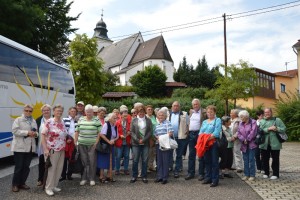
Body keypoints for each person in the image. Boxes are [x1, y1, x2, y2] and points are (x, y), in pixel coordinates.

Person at [42, 104, 68, 196]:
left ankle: (54, 186)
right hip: (52, 149)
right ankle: (48, 187)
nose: (59, 112)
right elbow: (43, 135)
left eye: (61, 111)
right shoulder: (49, 121)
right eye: (57, 111)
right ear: (54, 111)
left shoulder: (62, 121)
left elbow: (64, 134)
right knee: (52, 169)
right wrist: (45, 149)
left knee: (59, 168)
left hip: (62, 149)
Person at [11, 104, 38, 192]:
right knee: (19, 167)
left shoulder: (33, 121)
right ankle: (15, 184)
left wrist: (35, 134)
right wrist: (27, 133)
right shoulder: (18, 120)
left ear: (32, 112)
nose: (28, 112)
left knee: (26, 167)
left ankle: (22, 183)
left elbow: (36, 132)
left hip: (30, 147)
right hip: (19, 147)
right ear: (23, 111)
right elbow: (15, 131)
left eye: (30, 111)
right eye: (26, 110)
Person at [74, 104, 101, 186]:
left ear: (92, 112)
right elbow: (77, 131)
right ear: (85, 112)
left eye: (90, 112)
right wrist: (75, 141)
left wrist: (96, 143)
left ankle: (92, 179)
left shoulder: (96, 120)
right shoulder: (81, 119)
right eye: (87, 112)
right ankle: (84, 178)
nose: (89, 113)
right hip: (82, 144)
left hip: (92, 144)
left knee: (92, 161)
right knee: (84, 161)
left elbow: (99, 133)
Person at [259, 108, 286, 180]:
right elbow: (260, 131)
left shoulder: (277, 120)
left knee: (275, 159)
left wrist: (276, 128)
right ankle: (266, 173)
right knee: (265, 159)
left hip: (275, 143)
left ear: (271, 112)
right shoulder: (262, 121)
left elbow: (284, 129)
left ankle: (275, 174)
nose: (267, 114)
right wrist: (268, 129)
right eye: (265, 112)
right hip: (264, 143)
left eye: (268, 112)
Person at [199, 105, 222, 187]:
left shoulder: (218, 120)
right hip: (205, 144)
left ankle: (215, 179)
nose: (209, 113)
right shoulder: (205, 121)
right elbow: (200, 133)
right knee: (207, 161)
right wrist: (204, 138)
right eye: (208, 112)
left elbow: (216, 133)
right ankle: (208, 177)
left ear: (214, 112)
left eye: (211, 112)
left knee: (214, 162)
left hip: (213, 143)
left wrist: (205, 138)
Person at [130, 106, 152, 183]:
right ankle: (134, 176)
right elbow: (131, 132)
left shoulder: (148, 120)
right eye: (139, 112)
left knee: (145, 160)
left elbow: (150, 132)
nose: (141, 113)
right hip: (136, 143)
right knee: (135, 160)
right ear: (137, 113)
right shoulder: (134, 120)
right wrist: (137, 140)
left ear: (144, 112)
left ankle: (144, 176)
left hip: (145, 143)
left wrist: (144, 140)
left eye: (142, 112)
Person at [186, 98, 206, 181]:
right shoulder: (191, 112)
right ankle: (191, 173)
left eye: (196, 104)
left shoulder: (204, 112)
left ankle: (201, 173)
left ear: (199, 104)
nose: (195, 106)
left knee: (201, 154)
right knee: (191, 155)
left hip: (199, 134)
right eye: (194, 104)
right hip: (191, 134)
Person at [169, 101, 189, 178]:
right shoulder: (168, 114)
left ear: (179, 107)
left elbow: (188, 124)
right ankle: (170, 167)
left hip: (180, 137)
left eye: (177, 106)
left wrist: (186, 133)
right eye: (174, 106)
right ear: (172, 106)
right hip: (170, 137)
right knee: (170, 153)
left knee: (179, 155)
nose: (175, 107)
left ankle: (176, 170)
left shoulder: (184, 114)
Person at [97, 113, 119, 182]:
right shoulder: (106, 125)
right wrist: (109, 141)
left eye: (116, 118)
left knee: (111, 160)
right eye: (114, 118)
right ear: (110, 119)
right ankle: (101, 177)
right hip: (105, 146)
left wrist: (113, 140)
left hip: (111, 145)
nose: (115, 120)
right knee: (103, 161)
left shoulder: (115, 126)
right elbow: (101, 134)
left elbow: (117, 136)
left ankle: (109, 176)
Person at [154, 109, 174, 184]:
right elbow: (155, 134)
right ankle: (159, 176)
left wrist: (162, 138)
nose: (161, 116)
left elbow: (171, 133)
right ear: (157, 116)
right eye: (159, 115)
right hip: (158, 144)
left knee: (165, 161)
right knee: (159, 161)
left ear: (165, 116)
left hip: (165, 144)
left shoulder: (168, 123)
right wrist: (157, 138)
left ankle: (165, 177)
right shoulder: (157, 124)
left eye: (162, 115)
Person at [237, 110, 258, 181]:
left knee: (251, 159)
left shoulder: (253, 122)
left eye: (242, 117)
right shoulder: (240, 123)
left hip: (252, 144)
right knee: (245, 160)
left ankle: (252, 175)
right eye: (240, 117)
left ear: (246, 116)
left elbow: (253, 132)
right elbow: (238, 133)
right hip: (244, 145)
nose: (241, 118)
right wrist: (243, 139)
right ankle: (246, 174)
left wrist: (247, 139)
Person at [36, 104, 52, 186]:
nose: (46, 111)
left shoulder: (54, 119)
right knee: (41, 162)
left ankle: (49, 180)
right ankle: (40, 179)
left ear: (50, 111)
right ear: (42, 111)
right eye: (44, 110)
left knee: (51, 163)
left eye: (48, 110)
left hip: (52, 145)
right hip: (41, 145)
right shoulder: (38, 120)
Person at [60, 107, 78, 181]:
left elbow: (78, 131)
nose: (73, 112)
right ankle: (63, 175)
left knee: (72, 159)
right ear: (69, 112)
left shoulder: (77, 121)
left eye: (74, 111)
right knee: (64, 160)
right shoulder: (64, 120)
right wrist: (67, 139)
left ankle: (69, 175)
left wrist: (75, 141)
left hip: (74, 142)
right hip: (66, 142)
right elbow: (62, 130)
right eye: (72, 111)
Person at [115, 107, 131, 175]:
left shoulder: (129, 122)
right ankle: (117, 169)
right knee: (118, 156)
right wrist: (120, 135)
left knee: (127, 156)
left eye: (126, 115)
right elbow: (115, 131)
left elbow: (131, 129)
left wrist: (129, 132)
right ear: (121, 115)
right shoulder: (117, 122)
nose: (125, 116)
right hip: (119, 142)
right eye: (124, 115)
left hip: (127, 141)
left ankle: (126, 169)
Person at [146, 105, 157, 172]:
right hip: (148, 138)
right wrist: (150, 138)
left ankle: (151, 166)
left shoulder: (153, 117)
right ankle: (146, 167)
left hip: (154, 137)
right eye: (148, 109)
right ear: (146, 110)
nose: (150, 110)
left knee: (153, 153)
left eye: (151, 109)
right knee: (148, 153)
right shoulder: (145, 117)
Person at [255, 109, 264, 174]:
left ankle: (263, 168)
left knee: (263, 154)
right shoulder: (255, 122)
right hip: (256, 140)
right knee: (256, 154)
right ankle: (258, 167)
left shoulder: (264, 122)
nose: (261, 116)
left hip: (263, 140)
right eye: (260, 115)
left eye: (262, 115)